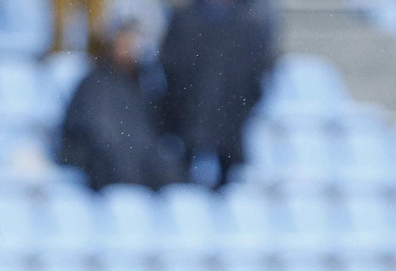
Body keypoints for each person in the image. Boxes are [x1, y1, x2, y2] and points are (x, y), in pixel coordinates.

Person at [58, 18, 183, 191]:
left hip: (139, 163)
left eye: (133, 43)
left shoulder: (146, 84)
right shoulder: (95, 83)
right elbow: (98, 133)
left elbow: (155, 129)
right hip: (104, 165)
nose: (128, 48)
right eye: (124, 42)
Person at [158, 0, 271, 188]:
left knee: (228, 187)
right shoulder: (185, 20)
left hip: (230, 125)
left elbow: (256, 76)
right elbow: (171, 69)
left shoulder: (250, 23)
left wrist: (238, 108)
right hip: (187, 123)